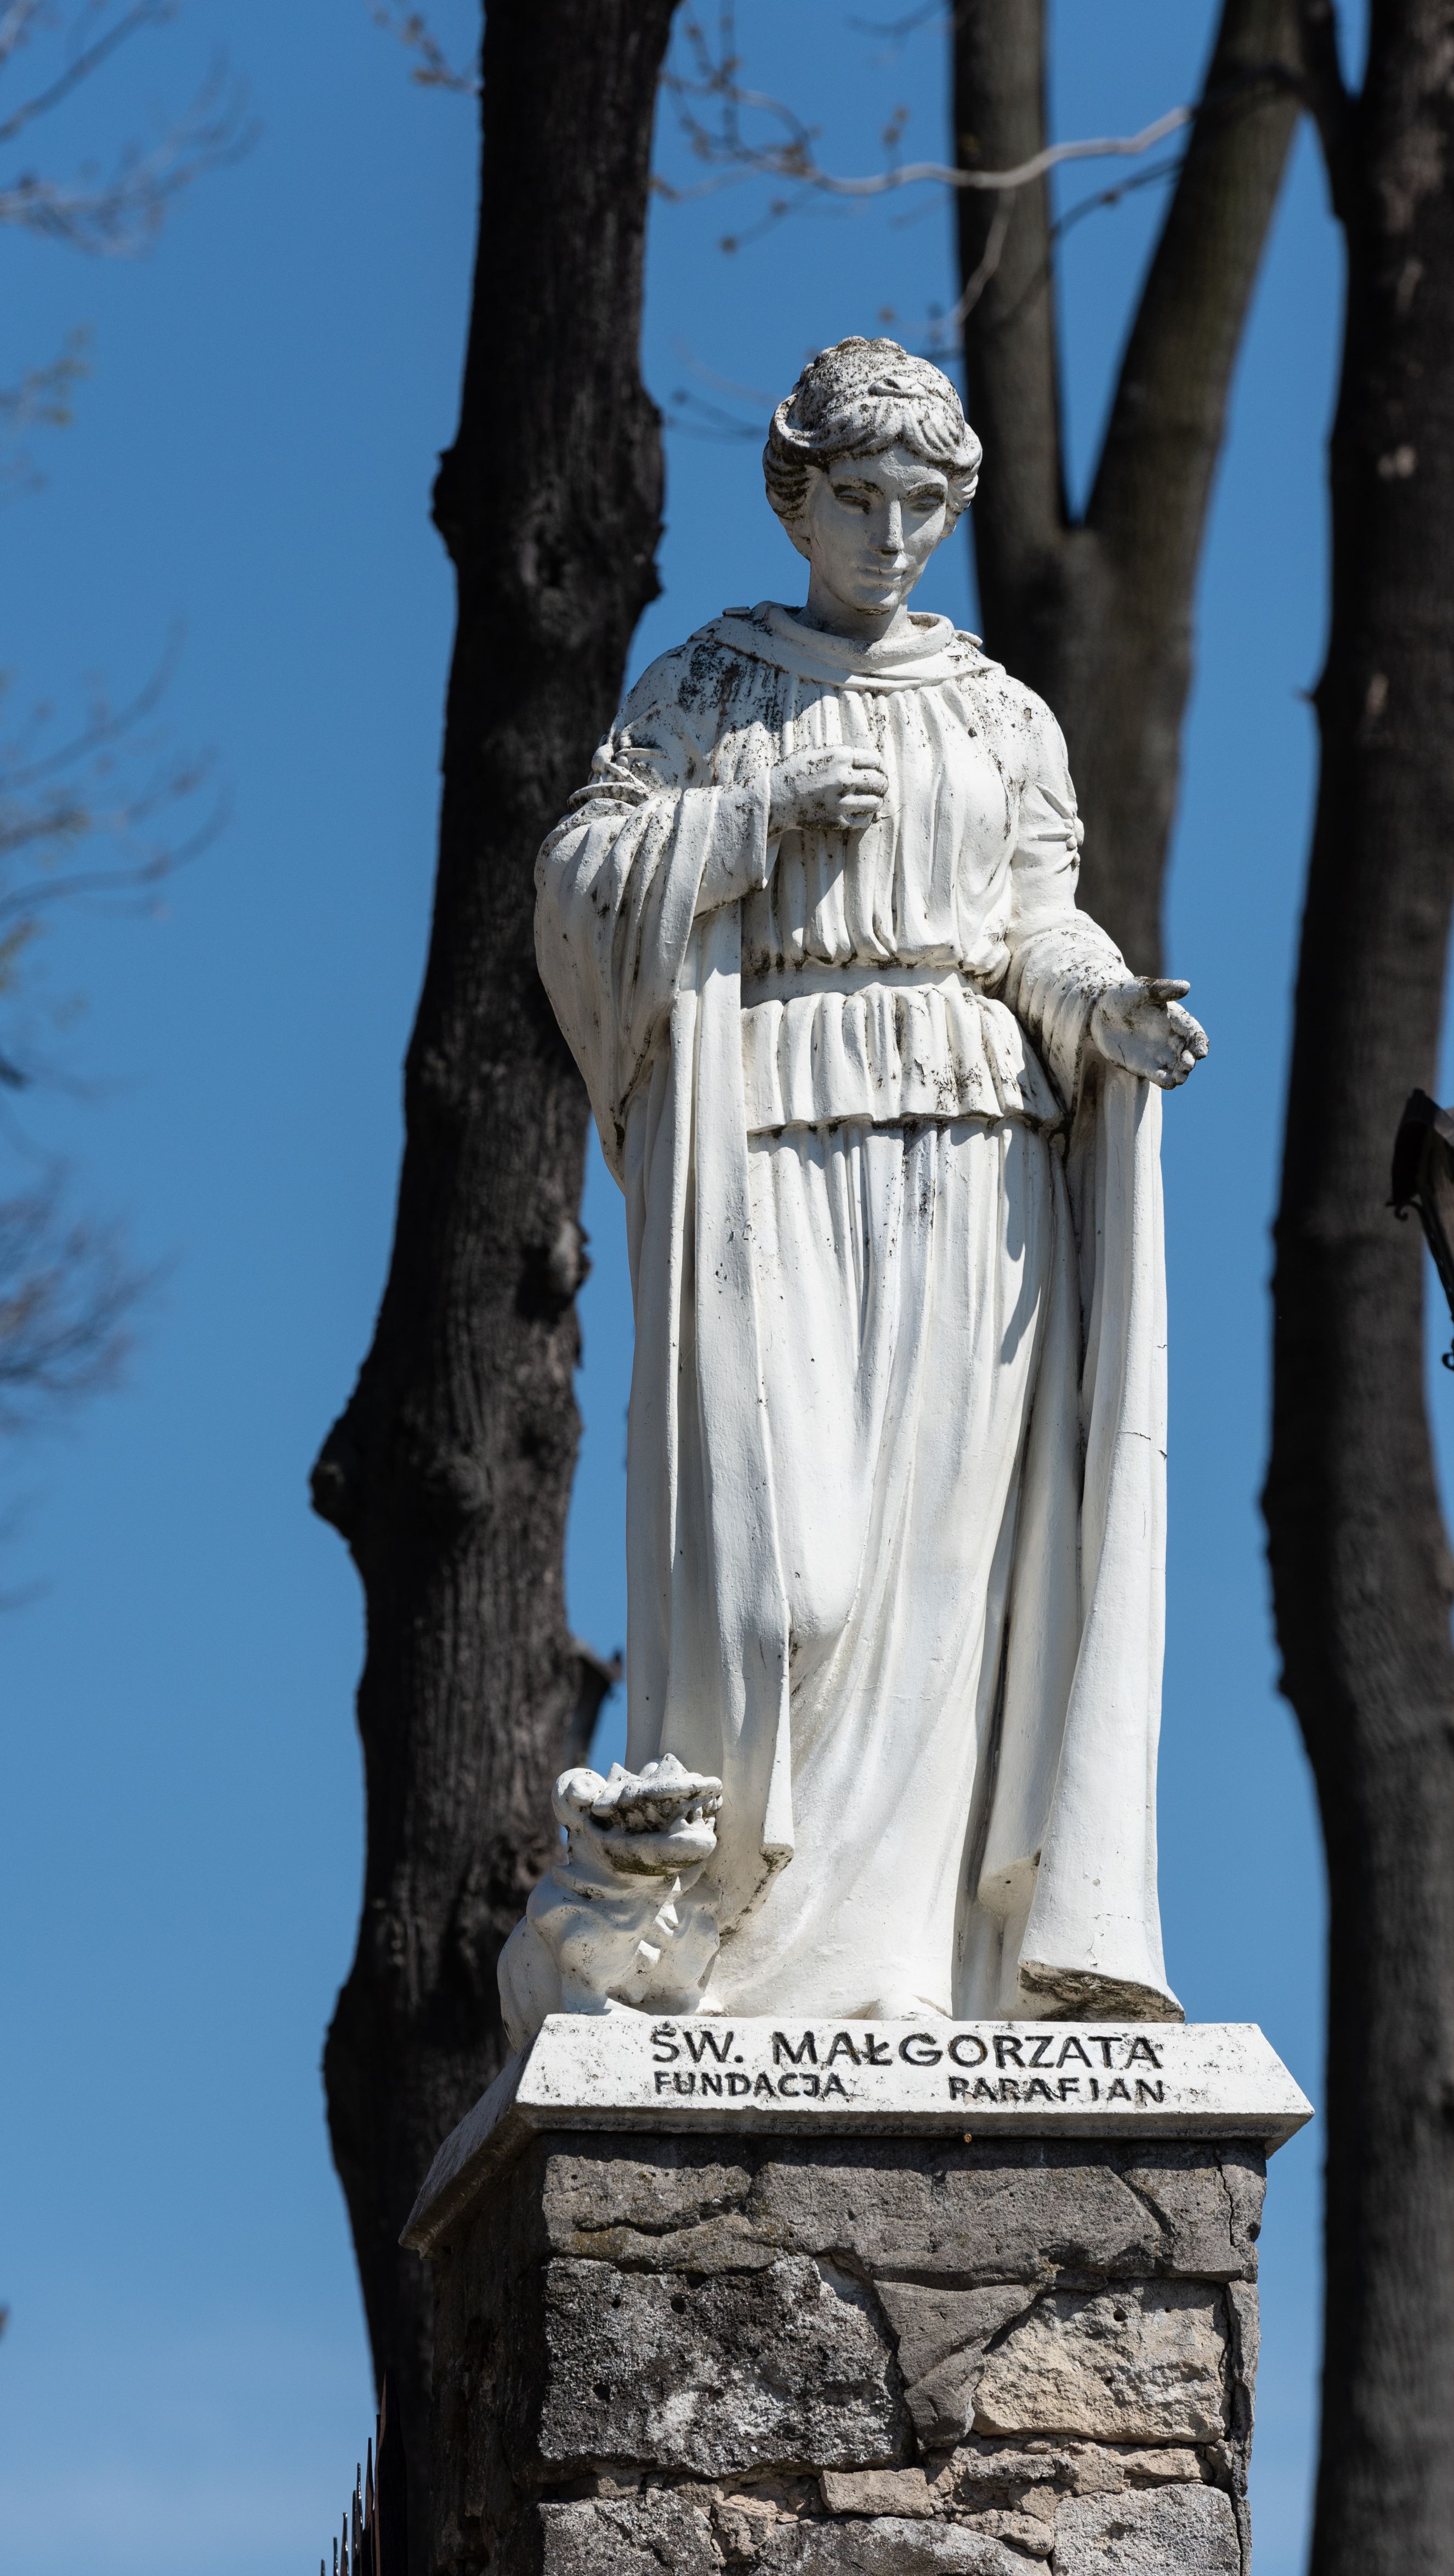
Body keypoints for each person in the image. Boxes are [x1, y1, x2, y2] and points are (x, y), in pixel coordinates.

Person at [530, 336, 1205, 2023]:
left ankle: (907, 1978)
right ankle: (734, 1942)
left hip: (976, 1159)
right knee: (788, 1587)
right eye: (858, 498)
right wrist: (744, 820)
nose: (890, 534)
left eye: (920, 504)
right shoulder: (709, 688)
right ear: (796, 497)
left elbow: (1034, 927)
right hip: (767, 1142)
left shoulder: (1000, 716)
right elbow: (580, 886)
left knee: (936, 1592)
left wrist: (1108, 1011)